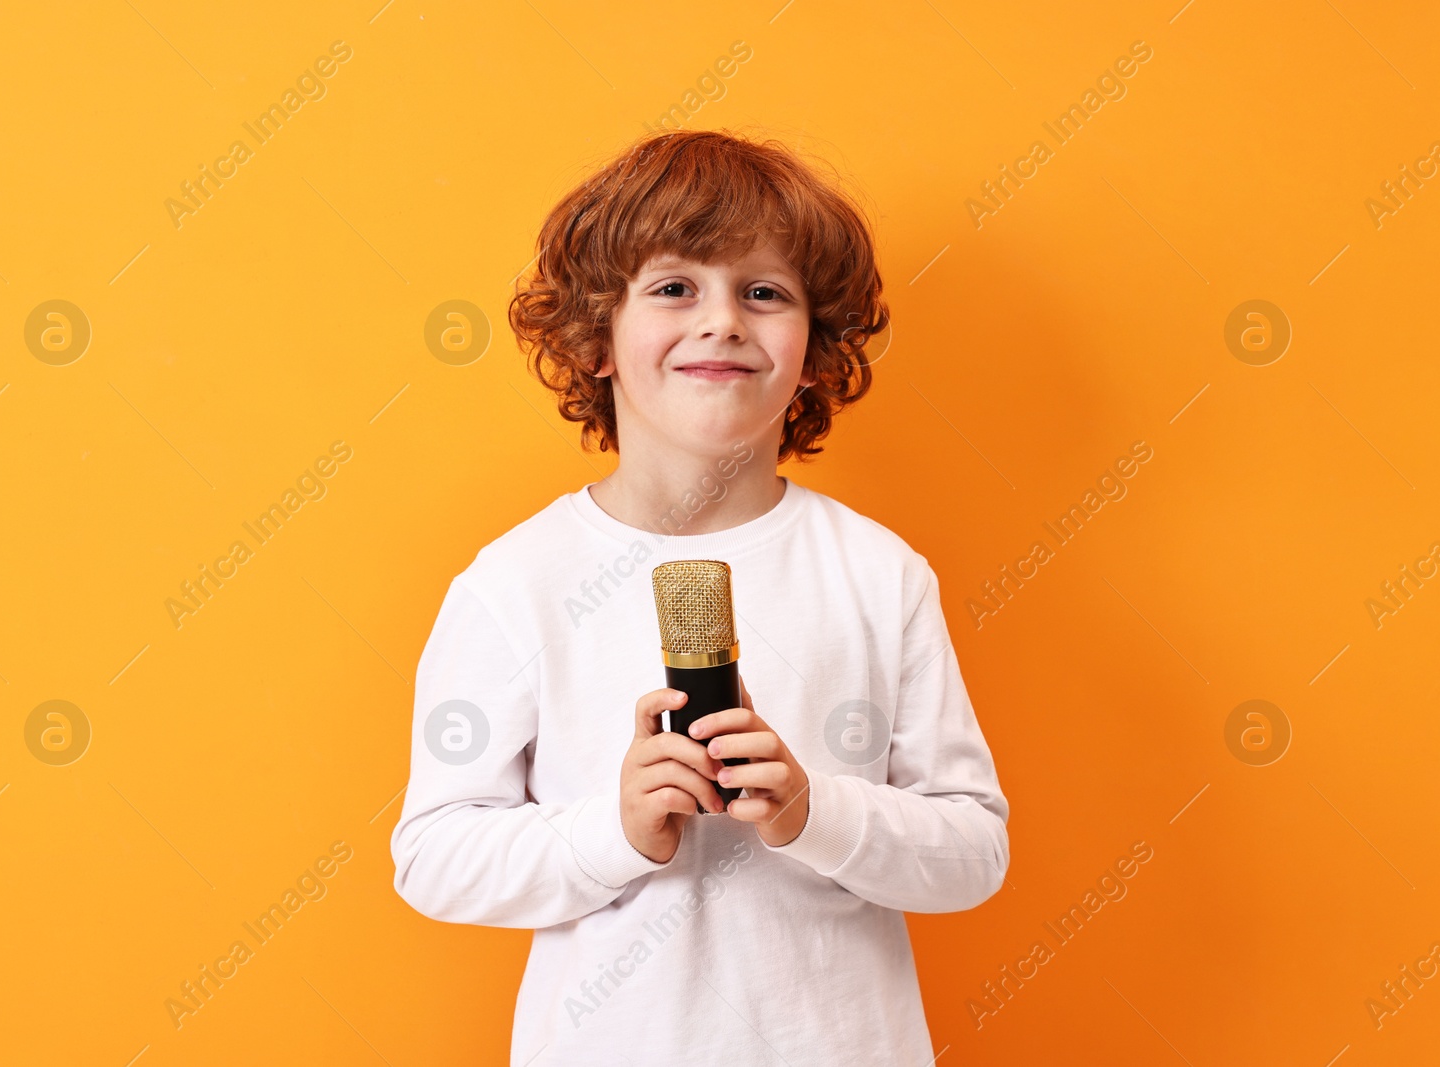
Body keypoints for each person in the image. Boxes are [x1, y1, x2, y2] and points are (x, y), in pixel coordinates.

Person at [390, 127, 1010, 1064]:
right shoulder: (516, 583)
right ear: (596, 338)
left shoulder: (880, 575)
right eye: (676, 287)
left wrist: (813, 810)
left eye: (764, 292)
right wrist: (617, 826)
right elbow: (433, 856)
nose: (722, 319)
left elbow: (973, 849)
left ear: (812, 351)